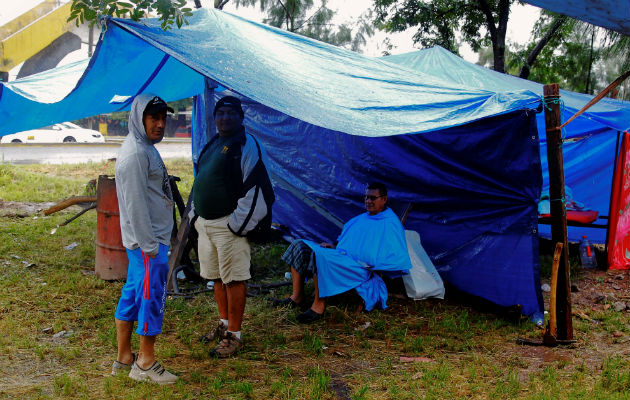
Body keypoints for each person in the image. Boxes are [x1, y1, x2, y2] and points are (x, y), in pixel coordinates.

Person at [192, 95, 273, 357]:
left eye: (230, 113)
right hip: (206, 225)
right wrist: (196, 215)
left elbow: (257, 188)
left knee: (234, 279)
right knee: (216, 278)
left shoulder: (246, 144)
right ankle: (224, 323)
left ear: (241, 117)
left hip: (228, 226)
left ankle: (235, 336)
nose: (224, 117)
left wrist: (236, 226)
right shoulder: (215, 143)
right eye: (220, 113)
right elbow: (201, 179)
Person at [273, 183, 412, 323]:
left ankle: (318, 306)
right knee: (299, 245)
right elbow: (349, 243)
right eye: (366, 197)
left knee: (319, 256)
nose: (368, 201)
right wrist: (335, 248)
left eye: (373, 198)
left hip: (360, 268)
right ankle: (297, 297)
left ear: (384, 199)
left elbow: (393, 254)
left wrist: (365, 261)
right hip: (343, 258)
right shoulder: (361, 218)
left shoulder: (391, 223)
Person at [111, 93, 178, 384]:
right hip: (148, 245)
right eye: (154, 118)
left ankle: (124, 358)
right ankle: (145, 363)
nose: (160, 124)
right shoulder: (136, 154)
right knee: (151, 298)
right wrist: (151, 249)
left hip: (146, 243)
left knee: (133, 294)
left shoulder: (144, 146)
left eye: (163, 118)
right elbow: (135, 206)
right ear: (139, 118)